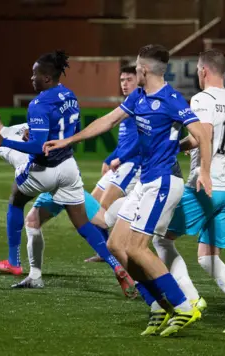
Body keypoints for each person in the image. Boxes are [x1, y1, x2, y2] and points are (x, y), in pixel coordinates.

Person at [43, 44, 213, 337]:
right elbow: (108, 120)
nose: (134, 72)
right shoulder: (139, 96)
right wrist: (69, 140)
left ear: (144, 70)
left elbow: (203, 134)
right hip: (146, 181)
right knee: (115, 245)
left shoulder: (171, 99)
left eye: (136, 67)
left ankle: (184, 306)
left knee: (136, 247)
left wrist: (205, 172)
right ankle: (158, 305)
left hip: (163, 182)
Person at [0, 50, 133, 292]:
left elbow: (38, 148)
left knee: (16, 200)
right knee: (83, 224)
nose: (32, 78)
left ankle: (13, 261)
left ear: (48, 78)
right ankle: (116, 266)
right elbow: (76, 129)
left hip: (47, 169)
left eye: (35, 74)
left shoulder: (39, 103)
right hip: (69, 167)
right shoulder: (70, 96)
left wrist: (4, 141)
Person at [158, 49, 225, 334]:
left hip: (205, 186)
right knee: (207, 258)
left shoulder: (202, 99)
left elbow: (201, 136)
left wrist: (174, 148)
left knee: (160, 238)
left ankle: (191, 300)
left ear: (203, 71)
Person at [87, 65, 142, 263]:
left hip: (132, 164)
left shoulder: (141, 103)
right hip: (121, 162)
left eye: (129, 79)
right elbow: (124, 141)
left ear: (139, 79)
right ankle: (106, 251)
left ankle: (120, 248)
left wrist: (120, 158)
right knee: (89, 206)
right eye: (122, 80)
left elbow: (142, 141)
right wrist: (109, 158)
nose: (125, 84)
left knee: (103, 208)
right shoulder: (129, 102)